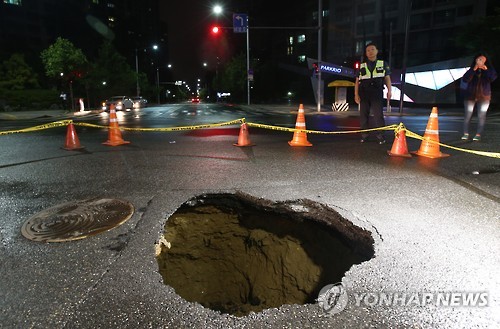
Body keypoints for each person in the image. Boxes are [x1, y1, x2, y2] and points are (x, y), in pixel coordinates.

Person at [354, 43, 392, 144]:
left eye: (372, 49)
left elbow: (387, 78)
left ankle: (381, 136)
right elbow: (357, 81)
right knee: (363, 115)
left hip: (377, 92)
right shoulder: (362, 65)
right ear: (366, 53)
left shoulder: (383, 64)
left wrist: (389, 90)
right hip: (364, 92)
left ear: (376, 51)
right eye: (368, 50)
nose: (370, 52)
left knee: (378, 115)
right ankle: (364, 136)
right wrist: (356, 94)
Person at [461, 53, 497, 141]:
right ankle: (466, 133)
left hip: (484, 96)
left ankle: (478, 134)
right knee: (468, 115)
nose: (481, 61)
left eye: (483, 60)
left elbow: (492, 78)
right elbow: (465, 79)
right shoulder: (471, 69)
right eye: (479, 59)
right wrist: (474, 69)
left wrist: (486, 69)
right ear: (476, 60)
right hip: (470, 95)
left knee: (481, 115)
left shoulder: (489, 69)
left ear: (486, 61)